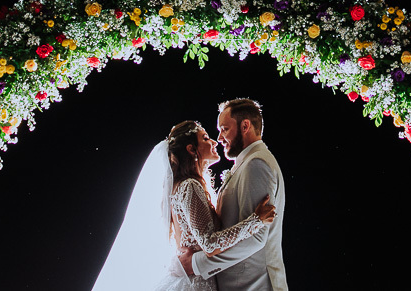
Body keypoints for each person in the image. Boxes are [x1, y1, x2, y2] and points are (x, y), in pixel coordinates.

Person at [91, 119, 276, 291]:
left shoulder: (184, 185)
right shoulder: (189, 186)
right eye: (205, 138)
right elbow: (210, 244)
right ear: (191, 149)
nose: (214, 142)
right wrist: (256, 220)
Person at [180, 98, 287, 290]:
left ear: (245, 126)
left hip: (253, 285)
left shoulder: (257, 165)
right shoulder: (247, 163)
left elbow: (255, 238)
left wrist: (196, 264)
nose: (220, 138)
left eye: (225, 129)